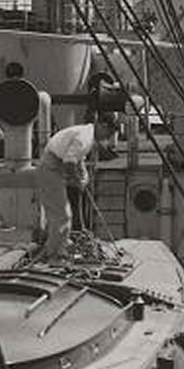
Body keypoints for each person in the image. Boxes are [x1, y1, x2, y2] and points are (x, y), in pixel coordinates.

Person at [34, 109, 119, 260]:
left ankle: (57, 247)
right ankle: (55, 255)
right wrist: (76, 181)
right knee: (62, 215)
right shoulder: (85, 138)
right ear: (102, 125)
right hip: (51, 168)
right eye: (109, 132)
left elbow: (77, 161)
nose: (108, 137)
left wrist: (83, 176)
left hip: (53, 167)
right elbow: (69, 162)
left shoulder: (85, 133)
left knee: (58, 213)